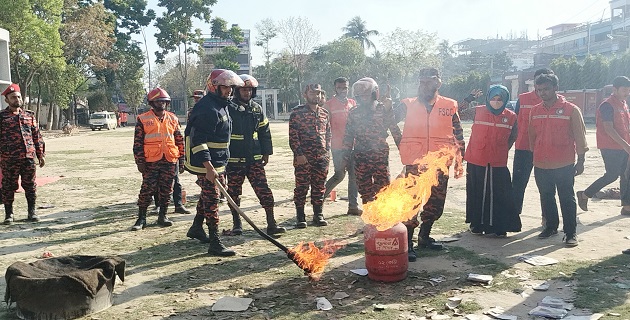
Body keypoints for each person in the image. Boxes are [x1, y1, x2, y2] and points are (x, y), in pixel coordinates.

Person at [395, 68, 465, 262]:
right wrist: (399, 141)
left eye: (430, 81)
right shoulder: (407, 105)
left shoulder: (449, 105)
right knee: (411, 204)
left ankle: (424, 237)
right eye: (422, 81)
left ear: (438, 83)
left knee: (436, 203)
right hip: (415, 164)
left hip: (440, 164)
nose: (425, 85)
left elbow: (458, 132)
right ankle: (407, 243)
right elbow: (388, 121)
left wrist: (460, 158)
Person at [184, 69, 244, 256]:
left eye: (231, 87)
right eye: (225, 87)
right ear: (214, 86)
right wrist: (208, 167)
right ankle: (215, 242)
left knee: (209, 195)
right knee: (212, 199)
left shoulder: (221, 104)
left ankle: (196, 227)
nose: (230, 91)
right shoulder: (207, 108)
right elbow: (198, 140)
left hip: (217, 161)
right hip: (204, 162)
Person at [529, 73, 588, 247]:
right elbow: (532, 137)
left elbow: (580, 136)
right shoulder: (535, 110)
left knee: (566, 198)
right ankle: (551, 227)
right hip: (541, 162)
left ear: (555, 88)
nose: (542, 93)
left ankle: (570, 233)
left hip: (564, 163)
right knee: (546, 196)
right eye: (539, 90)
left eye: (546, 89)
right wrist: (536, 155)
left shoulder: (570, 109)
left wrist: (581, 160)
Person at [225, 74, 285, 235]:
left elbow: (265, 132)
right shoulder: (228, 108)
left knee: (264, 190)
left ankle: (271, 224)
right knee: (233, 193)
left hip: (254, 160)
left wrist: (266, 152)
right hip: (234, 160)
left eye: (250, 90)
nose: (247, 93)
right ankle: (237, 224)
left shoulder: (257, 109)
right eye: (244, 90)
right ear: (236, 91)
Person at [464, 85, 521, 237]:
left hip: (498, 162)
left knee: (500, 195)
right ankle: (477, 225)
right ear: (488, 99)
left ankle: (499, 227)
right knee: (477, 194)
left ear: (505, 100)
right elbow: (455, 113)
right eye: (493, 99)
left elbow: (513, 137)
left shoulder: (511, 116)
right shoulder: (477, 111)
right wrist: (469, 99)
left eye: (499, 99)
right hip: (477, 160)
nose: (496, 102)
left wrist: (502, 150)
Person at [131, 87, 185, 231]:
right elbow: (137, 143)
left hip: (170, 159)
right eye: (158, 101)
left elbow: (179, 140)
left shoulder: (172, 118)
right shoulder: (143, 119)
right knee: (147, 189)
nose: (161, 104)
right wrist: (140, 161)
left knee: (167, 190)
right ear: (151, 102)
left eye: (163, 101)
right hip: (151, 161)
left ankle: (163, 216)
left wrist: (182, 160)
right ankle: (141, 218)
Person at [342, 78, 401, 205]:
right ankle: (370, 220)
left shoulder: (383, 109)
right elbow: (348, 136)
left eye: (366, 95)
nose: (364, 99)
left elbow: (394, 128)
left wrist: (403, 150)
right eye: (360, 96)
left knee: (383, 189)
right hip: (360, 156)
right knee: (365, 190)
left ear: (374, 94)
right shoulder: (354, 112)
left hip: (379, 154)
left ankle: (382, 219)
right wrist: (345, 158)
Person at [577, 76, 630, 214]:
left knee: (626, 175)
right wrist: (625, 145)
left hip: (624, 146)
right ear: (615, 89)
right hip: (610, 147)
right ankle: (585, 194)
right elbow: (609, 128)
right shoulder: (607, 105)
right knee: (612, 175)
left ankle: (627, 206)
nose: (627, 93)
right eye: (624, 90)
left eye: (628, 90)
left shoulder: (623, 104)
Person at [512, 68, 555, 224]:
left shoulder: (558, 101)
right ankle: (513, 216)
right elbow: (514, 122)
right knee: (518, 183)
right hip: (523, 148)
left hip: (546, 150)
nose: (541, 88)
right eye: (538, 82)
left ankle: (547, 218)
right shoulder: (522, 99)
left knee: (546, 186)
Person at [1, 83, 45, 225]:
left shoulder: (29, 116)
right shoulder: (1, 117)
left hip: (28, 158)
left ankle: (32, 212)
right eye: (13, 97)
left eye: (18, 97)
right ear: (7, 100)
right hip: (9, 159)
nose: (17, 99)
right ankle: (9, 214)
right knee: (8, 186)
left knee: (30, 185)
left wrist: (40, 154)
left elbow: (36, 136)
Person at [289, 83, 331, 228]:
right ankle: (301, 217)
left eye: (318, 93)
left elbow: (328, 134)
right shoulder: (297, 113)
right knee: (302, 187)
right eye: (313, 93)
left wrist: (327, 153)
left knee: (319, 187)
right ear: (305, 95)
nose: (316, 96)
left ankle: (318, 214)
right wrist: (299, 154)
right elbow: (293, 136)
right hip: (304, 158)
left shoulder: (325, 113)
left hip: (321, 158)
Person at [323, 77, 361, 215]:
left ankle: (353, 206)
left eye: (345, 87)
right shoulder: (329, 105)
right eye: (340, 88)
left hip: (353, 146)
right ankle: (319, 199)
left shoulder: (353, 103)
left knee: (354, 176)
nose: (342, 90)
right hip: (338, 147)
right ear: (335, 88)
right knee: (339, 175)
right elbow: (324, 127)